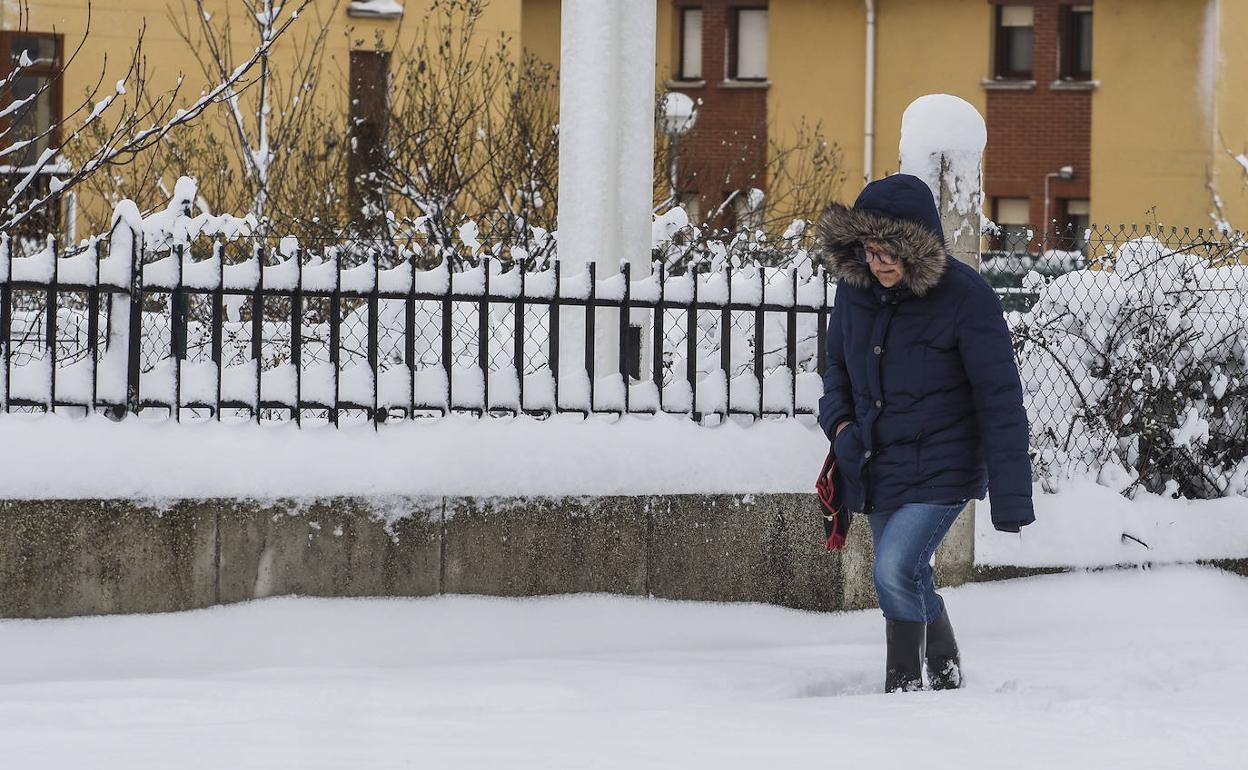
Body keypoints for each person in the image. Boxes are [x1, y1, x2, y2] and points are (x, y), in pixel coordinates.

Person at [816, 173, 1035, 693]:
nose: (879, 262)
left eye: (890, 251)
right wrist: (842, 425)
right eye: (869, 250)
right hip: (877, 459)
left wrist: (1010, 497)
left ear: (917, 246)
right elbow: (836, 372)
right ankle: (945, 666)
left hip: (946, 464)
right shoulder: (855, 293)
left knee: (893, 568)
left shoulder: (966, 296)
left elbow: (999, 398)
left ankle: (904, 687)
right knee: (911, 574)